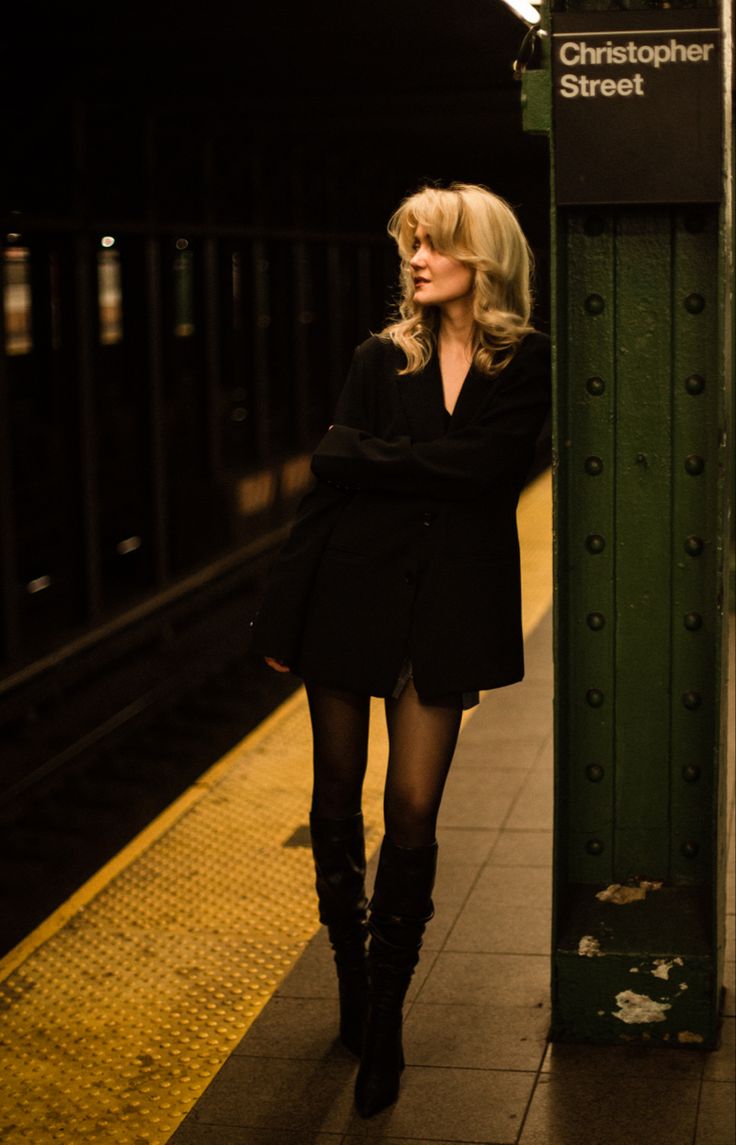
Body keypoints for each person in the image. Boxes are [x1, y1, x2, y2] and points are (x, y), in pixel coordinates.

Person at [250, 181, 551, 1118]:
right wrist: (282, 618)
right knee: (335, 799)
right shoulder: (380, 357)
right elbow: (326, 486)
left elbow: (490, 471)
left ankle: (385, 1026)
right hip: (348, 597)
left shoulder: (525, 363)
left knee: (411, 811)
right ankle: (350, 980)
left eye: (432, 244)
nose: (415, 260)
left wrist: (368, 457)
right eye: (409, 245)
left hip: (448, 612)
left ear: (485, 258)